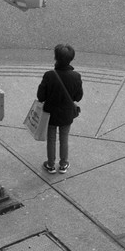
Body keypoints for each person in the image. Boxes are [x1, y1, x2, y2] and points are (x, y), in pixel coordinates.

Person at [36, 43, 83, 174]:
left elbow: (40, 96)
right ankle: (63, 164)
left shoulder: (49, 75)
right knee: (64, 138)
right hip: (67, 113)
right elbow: (78, 97)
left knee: (51, 139)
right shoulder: (76, 76)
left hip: (50, 113)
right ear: (71, 59)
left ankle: (50, 164)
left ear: (56, 58)